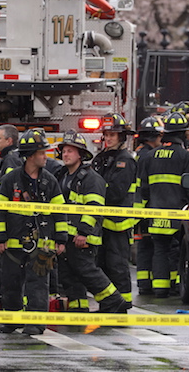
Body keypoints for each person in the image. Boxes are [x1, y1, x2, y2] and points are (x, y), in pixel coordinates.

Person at [0, 128, 67, 335]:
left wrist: (60, 240)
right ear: (31, 155)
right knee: (10, 283)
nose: (46, 157)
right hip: (13, 245)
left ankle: (35, 323)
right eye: (43, 153)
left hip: (42, 244)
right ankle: (12, 320)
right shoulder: (10, 180)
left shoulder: (50, 181)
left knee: (38, 284)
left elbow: (60, 213)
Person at [54, 130, 126, 313]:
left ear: (80, 154)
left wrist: (83, 232)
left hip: (83, 237)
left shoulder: (91, 178)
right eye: (64, 151)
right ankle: (78, 307)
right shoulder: (62, 176)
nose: (66, 154)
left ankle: (114, 301)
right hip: (67, 236)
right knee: (69, 274)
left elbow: (94, 207)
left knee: (87, 271)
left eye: (70, 151)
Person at [137, 111, 189, 298]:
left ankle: (160, 289)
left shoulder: (150, 156)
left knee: (160, 250)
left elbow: (143, 188)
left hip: (155, 213)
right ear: (182, 133)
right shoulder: (185, 157)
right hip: (177, 214)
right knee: (177, 250)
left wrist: (143, 214)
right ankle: (176, 287)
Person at [91, 113, 137, 308]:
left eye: (113, 135)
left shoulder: (125, 160)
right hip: (102, 223)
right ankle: (107, 304)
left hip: (118, 224)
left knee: (117, 266)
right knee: (102, 265)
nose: (108, 138)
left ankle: (123, 304)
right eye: (106, 134)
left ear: (121, 137)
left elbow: (115, 192)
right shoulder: (102, 158)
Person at [132, 116, 163, 295]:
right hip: (145, 208)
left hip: (138, 208)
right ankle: (146, 283)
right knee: (147, 245)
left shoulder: (139, 153)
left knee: (144, 244)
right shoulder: (148, 156)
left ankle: (144, 281)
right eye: (159, 137)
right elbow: (145, 186)